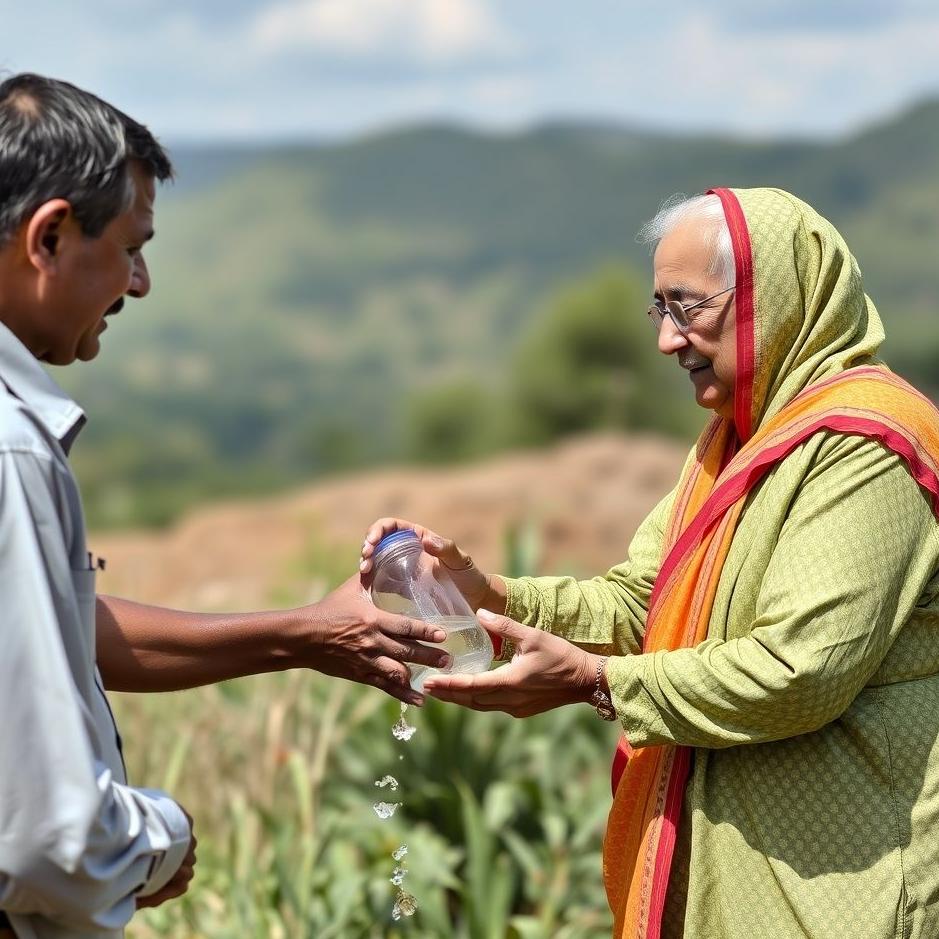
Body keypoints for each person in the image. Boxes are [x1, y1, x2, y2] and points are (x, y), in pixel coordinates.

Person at [361, 187, 939, 938]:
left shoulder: (865, 448)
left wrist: (597, 682)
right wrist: (487, 594)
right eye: (659, 309)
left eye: (688, 306)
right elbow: (647, 602)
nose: (668, 339)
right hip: (747, 879)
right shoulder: (739, 439)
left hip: (845, 887)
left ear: (774, 298)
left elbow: (801, 671)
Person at [0, 73, 449, 939]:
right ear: (49, 237)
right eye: (130, 247)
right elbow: (49, 840)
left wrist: (306, 632)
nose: (140, 283)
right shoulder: (13, 448)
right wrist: (158, 840)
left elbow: (52, 621)